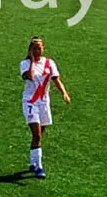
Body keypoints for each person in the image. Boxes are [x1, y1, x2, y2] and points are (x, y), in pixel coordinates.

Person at [20, 37, 70, 179]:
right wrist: (30, 61)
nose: (37, 50)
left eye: (39, 48)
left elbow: (56, 79)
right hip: (30, 102)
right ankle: (39, 167)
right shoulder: (24, 64)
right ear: (30, 50)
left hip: (44, 103)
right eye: (34, 48)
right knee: (37, 135)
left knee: (38, 135)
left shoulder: (49, 63)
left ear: (43, 48)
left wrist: (64, 93)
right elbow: (29, 76)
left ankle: (32, 162)